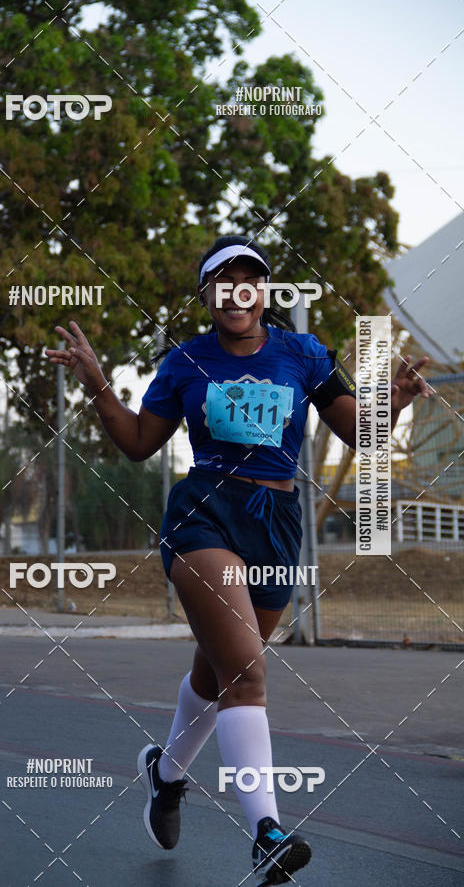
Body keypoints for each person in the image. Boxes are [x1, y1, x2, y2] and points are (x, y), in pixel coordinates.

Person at [45, 235, 430, 884]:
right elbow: (137, 442)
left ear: (263, 291)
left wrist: (393, 401)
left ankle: (166, 773)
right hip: (205, 515)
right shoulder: (186, 362)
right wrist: (99, 385)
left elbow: (359, 433)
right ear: (207, 295)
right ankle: (267, 833)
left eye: (249, 279)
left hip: (276, 524)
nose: (236, 291)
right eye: (223, 281)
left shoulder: (303, 354)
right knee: (247, 674)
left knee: (221, 671)